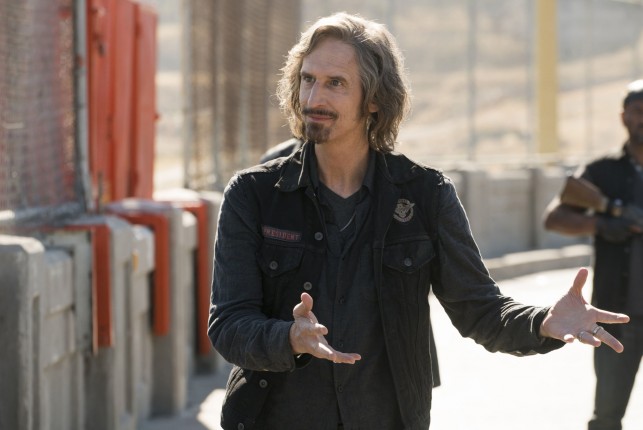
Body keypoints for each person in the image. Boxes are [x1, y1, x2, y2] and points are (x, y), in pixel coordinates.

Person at [208, 12, 630, 430]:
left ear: (375, 98)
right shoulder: (253, 194)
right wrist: (288, 338)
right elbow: (228, 324)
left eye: (335, 83)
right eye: (308, 79)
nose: (314, 98)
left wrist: (543, 323)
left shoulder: (426, 195)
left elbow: (481, 310)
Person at [543, 79, 643, 430]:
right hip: (617, 315)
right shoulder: (602, 171)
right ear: (624, 117)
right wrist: (603, 223)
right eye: (638, 111)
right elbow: (555, 218)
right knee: (607, 416)